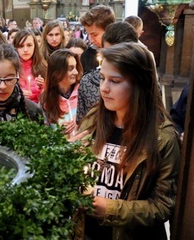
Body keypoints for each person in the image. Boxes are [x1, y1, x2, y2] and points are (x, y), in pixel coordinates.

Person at [75, 42, 180, 240]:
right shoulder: (93, 119)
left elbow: (163, 205)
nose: (104, 89)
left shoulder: (162, 137)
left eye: (115, 81)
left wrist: (111, 209)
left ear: (139, 84)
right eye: (102, 78)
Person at [76, 21, 138, 125]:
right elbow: (82, 123)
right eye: (108, 55)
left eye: (115, 81)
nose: (103, 88)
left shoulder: (145, 82)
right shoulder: (89, 81)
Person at [40, 49, 82, 137]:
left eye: (76, 67)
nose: (76, 72)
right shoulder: (45, 99)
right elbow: (44, 133)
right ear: (57, 72)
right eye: (71, 69)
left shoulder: (83, 92)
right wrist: (58, 131)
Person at [12, 29, 46, 103]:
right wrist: (17, 95)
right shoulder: (10, 68)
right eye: (21, 46)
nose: (25, 50)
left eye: (29, 45)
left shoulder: (44, 67)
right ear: (15, 48)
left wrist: (43, 87)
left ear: (35, 46)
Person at [79, 5, 115, 73]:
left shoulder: (124, 54)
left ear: (109, 30)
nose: (91, 40)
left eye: (95, 35)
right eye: (89, 34)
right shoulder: (87, 55)